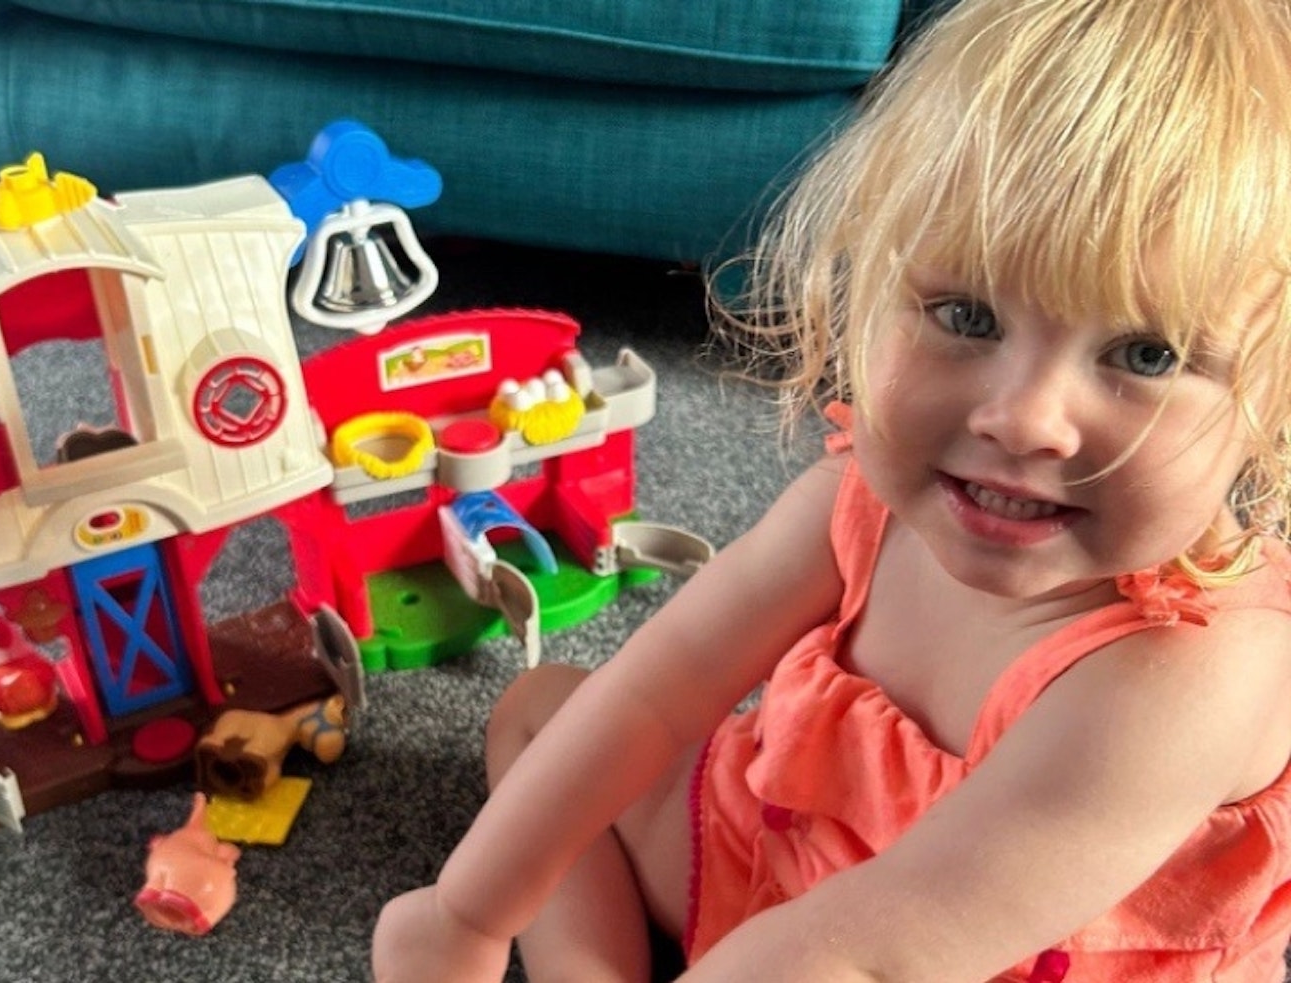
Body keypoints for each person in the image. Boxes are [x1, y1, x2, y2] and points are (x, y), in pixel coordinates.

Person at [372, 0, 1291, 979]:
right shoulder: (863, 496)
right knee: (543, 709)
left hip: (964, 953)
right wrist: (466, 911)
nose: (1024, 419)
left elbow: (875, 951)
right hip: (778, 845)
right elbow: (656, 691)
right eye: (966, 312)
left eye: (1147, 352)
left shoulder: (1192, 676)